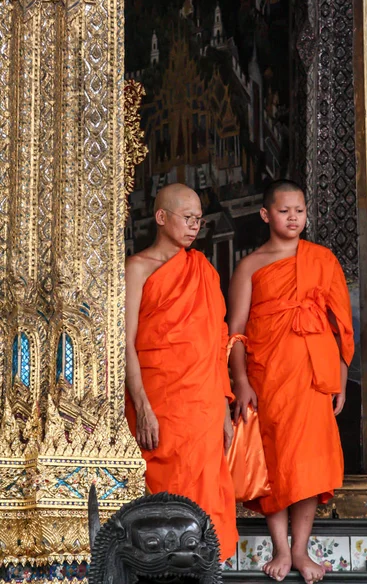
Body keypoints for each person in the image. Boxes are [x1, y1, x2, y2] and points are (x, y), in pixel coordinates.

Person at [228, 179, 354, 584]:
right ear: (266, 215)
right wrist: (242, 381)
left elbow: (339, 327)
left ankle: (300, 549)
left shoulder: (322, 259)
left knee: (310, 464)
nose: (293, 218)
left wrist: (341, 376)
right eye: (284, 211)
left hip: (315, 375)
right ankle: (281, 548)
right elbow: (235, 331)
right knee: (278, 462)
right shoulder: (250, 265)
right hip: (269, 377)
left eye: (299, 210)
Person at [125, 183, 238, 561]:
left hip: (203, 405)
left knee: (205, 496)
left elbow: (215, 344)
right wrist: (141, 405)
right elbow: (124, 342)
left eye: (198, 220)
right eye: (187, 218)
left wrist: (224, 408)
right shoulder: (137, 268)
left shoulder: (202, 271)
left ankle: (202, 568)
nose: (195, 227)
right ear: (161, 218)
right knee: (162, 491)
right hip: (160, 401)